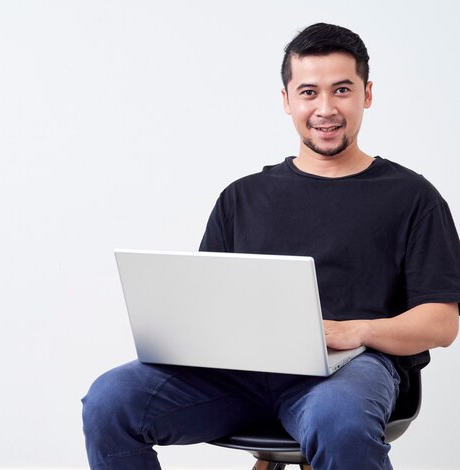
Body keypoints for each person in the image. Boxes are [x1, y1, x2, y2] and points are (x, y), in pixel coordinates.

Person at [81, 23, 460, 469]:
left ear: (367, 94)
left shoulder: (411, 197)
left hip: (347, 374)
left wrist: (351, 331)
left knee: (337, 420)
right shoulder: (242, 197)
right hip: (238, 379)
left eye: (341, 90)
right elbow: (205, 308)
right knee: (109, 400)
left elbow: (441, 324)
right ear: (286, 100)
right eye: (308, 92)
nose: (325, 108)